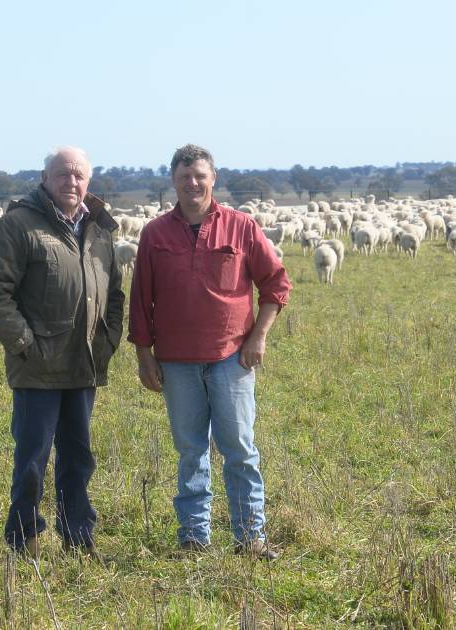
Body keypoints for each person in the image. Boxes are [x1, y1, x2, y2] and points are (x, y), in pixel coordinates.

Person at [128, 144, 290, 559]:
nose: (192, 183)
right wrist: (144, 355)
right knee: (190, 451)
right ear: (174, 182)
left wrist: (259, 336)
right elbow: (141, 299)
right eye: (184, 177)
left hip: (231, 358)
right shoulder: (154, 234)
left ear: (213, 178)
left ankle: (250, 536)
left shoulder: (241, 227)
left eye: (200, 175)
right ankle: (194, 538)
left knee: (239, 448)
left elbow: (275, 285)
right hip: (176, 361)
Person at [0, 146, 124, 558]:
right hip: (37, 366)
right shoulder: (19, 226)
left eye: (78, 176)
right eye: (62, 174)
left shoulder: (100, 230)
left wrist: (108, 340)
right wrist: (24, 344)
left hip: (84, 364)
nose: (70, 182)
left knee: (78, 457)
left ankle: (78, 535)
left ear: (88, 182)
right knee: (32, 458)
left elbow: (114, 295)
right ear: (45, 179)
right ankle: (25, 537)